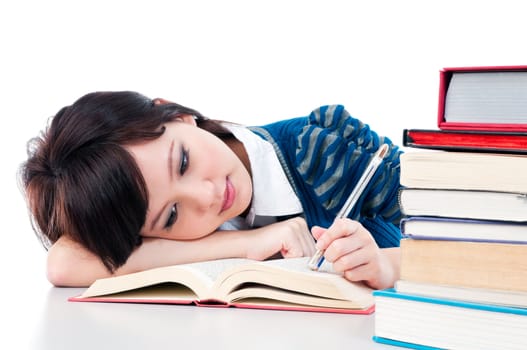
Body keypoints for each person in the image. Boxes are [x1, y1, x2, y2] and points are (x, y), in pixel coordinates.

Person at [20, 91, 403, 289]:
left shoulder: (321, 151)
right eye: (171, 215)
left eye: (183, 162)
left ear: (177, 114)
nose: (206, 198)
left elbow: (459, 233)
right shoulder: (211, 228)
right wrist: (247, 243)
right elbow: (64, 262)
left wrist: (387, 265)